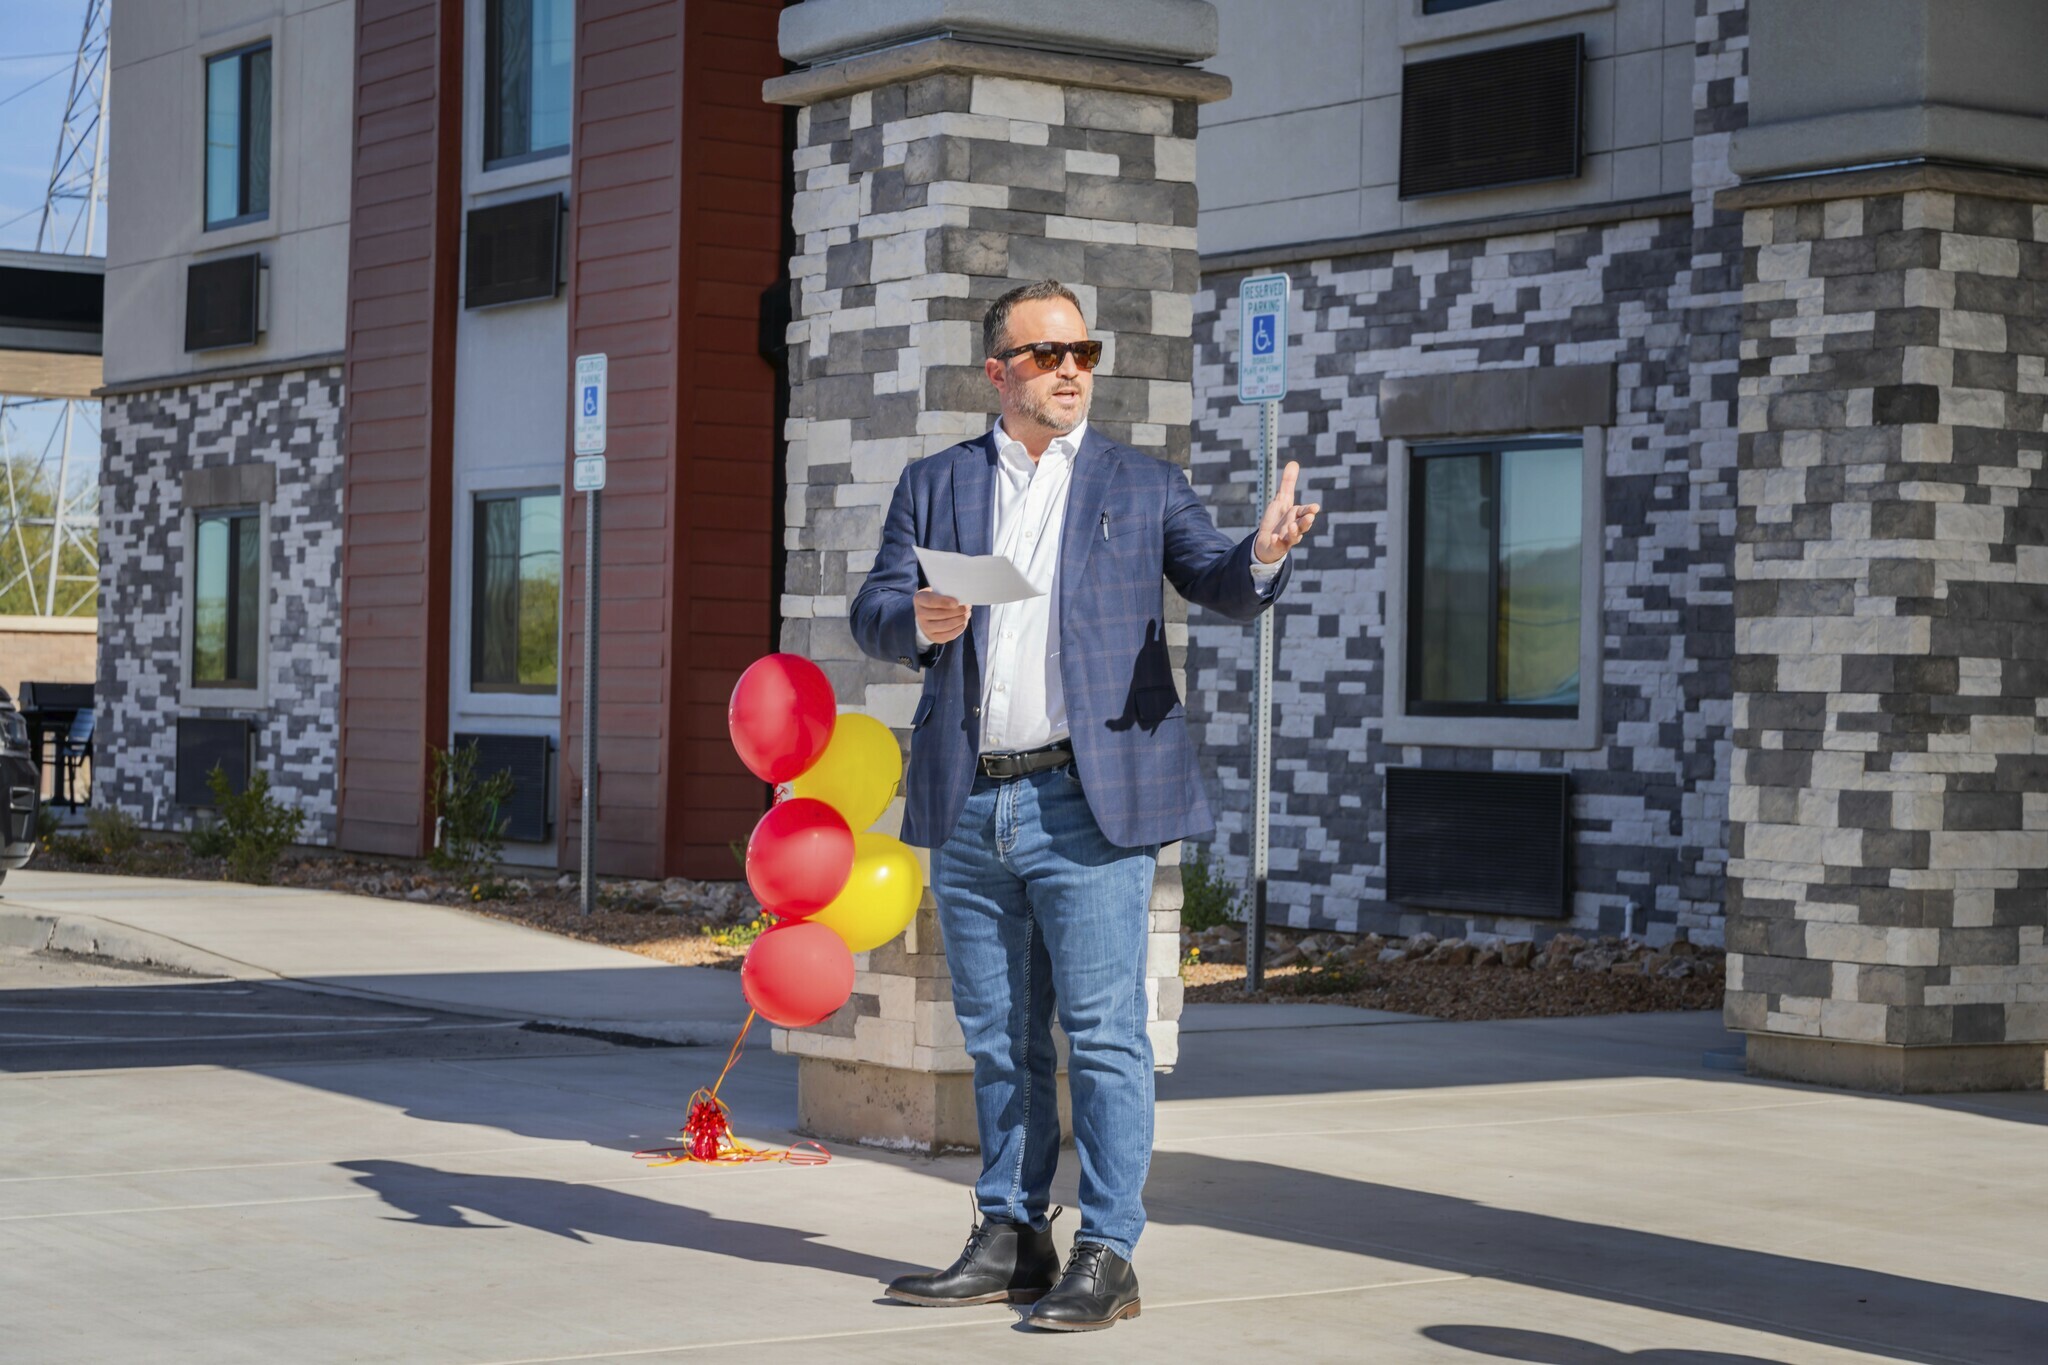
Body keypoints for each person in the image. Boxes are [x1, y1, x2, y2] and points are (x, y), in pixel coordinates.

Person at [849, 279, 1319, 1332]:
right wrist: (916, 617)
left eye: (1083, 351)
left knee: (1103, 1035)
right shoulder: (937, 484)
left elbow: (1216, 578)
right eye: (1047, 352)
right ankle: (1012, 1232)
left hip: (1086, 801)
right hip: (972, 800)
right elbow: (872, 607)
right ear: (998, 372)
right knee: (998, 1035)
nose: (1070, 368)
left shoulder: (1139, 484)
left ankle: (1108, 1250)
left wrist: (1266, 553)